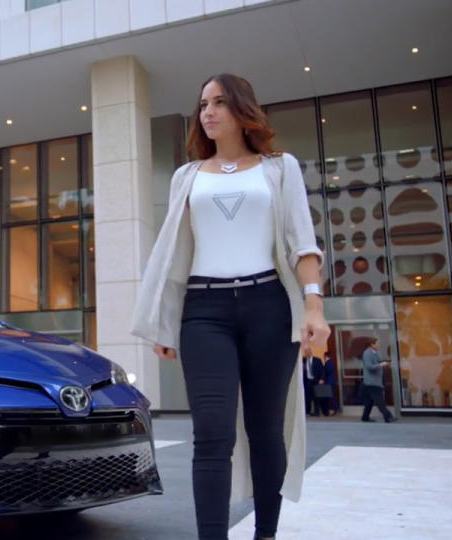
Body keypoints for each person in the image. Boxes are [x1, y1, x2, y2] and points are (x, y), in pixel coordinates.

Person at [130, 73, 329, 540]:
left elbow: (303, 245)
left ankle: (265, 534)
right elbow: (173, 256)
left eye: (219, 102)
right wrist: (163, 321)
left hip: (269, 307)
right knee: (213, 432)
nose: (208, 112)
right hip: (204, 312)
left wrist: (314, 307)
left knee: (265, 432)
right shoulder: (186, 176)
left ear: (242, 109)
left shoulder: (279, 168)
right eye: (202, 104)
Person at [361, 338, 395, 423]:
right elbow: (370, 366)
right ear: (372, 344)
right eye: (377, 343)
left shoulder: (374, 353)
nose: (378, 345)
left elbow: (377, 363)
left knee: (369, 402)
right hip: (372, 382)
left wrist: (384, 363)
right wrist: (381, 364)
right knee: (379, 401)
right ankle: (388, 416)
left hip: (374, 381)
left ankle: (365, 417)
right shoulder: (367, 353)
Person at [302, 347, 324, 416]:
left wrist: (322, 379)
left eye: (308, 351)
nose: (307, 353)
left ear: (311, 352)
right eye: (306, 352)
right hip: (307, 381)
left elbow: (322, 370)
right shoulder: (303, 360)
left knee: (316, 397)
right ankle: (307, 411)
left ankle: (316, 412)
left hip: (316, 381)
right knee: (307, 397)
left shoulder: (317, 360)